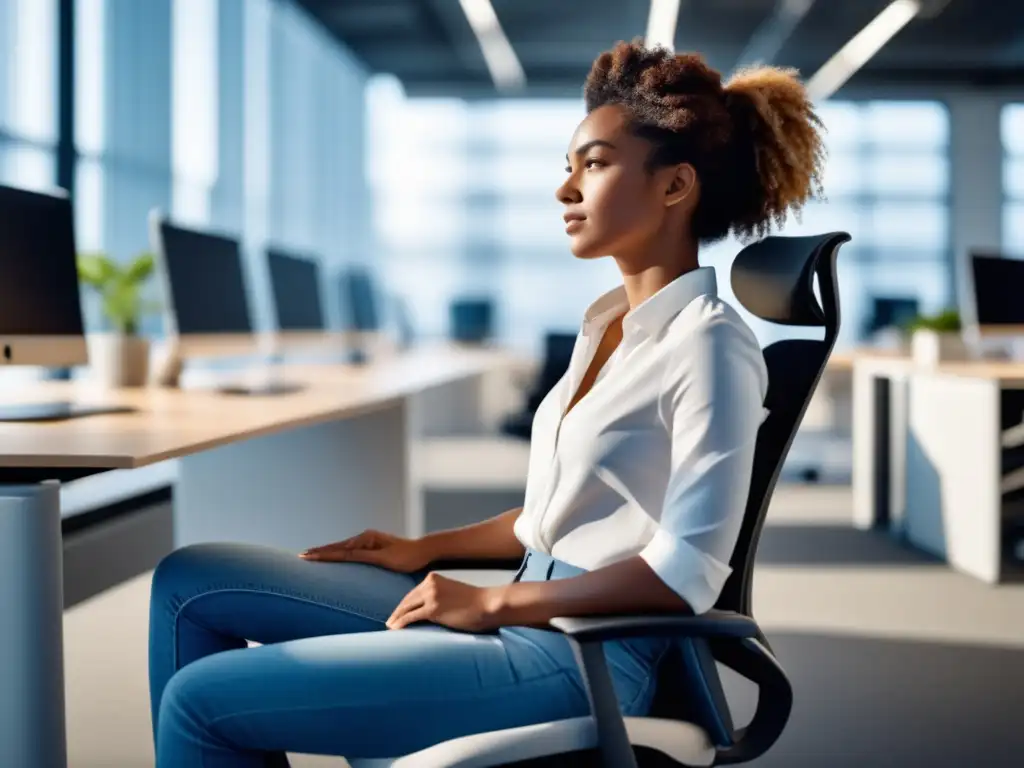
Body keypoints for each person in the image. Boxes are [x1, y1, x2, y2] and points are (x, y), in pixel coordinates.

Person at [148, 40, 825, 766]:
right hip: (532, 608)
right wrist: (426, 548)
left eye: (593, 164)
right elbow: (559, 519)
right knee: (188, 580)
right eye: (568, 167)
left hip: (581, 657)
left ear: (674, 186)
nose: (566, 190)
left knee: (201, 701)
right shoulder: (609, 326)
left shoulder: (709, 346)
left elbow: (684, 572)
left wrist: (489, 603)